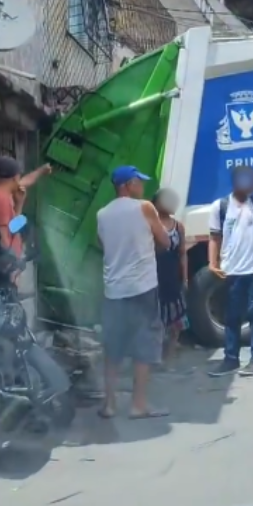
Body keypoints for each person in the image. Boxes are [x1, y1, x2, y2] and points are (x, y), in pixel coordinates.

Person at [95, 166, 173, 420]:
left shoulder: (102, 214)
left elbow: (103, 245)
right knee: (143, 345)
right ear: (128, 185)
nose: (142, 186)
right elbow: (165, 241)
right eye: (139, 182)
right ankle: (138, 405)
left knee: (113, 348)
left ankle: (109, 404)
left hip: (114, 291)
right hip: (142, 289)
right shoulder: (144, 208)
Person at [207, 166, 253, 378]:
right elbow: (214, 237)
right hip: (231, 270)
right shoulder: (220, 207)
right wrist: (212, 262)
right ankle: (231, 359)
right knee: (231, 316)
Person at [0, 156, 52, 255]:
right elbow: (4, 240)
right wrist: (10, 265)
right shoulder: (0, 199)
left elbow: (12, 228)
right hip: (3, 264)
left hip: (9, 259)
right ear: (15, 178)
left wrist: (19, 204)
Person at [152, 187, 189, 367]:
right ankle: (154, 358)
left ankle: (169, 357)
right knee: (155, 321)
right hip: (153, 278)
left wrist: (185, 278)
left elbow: (182, 253)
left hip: (172, 277)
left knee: (175, 322)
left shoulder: (178, 227)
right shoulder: (150, 225)